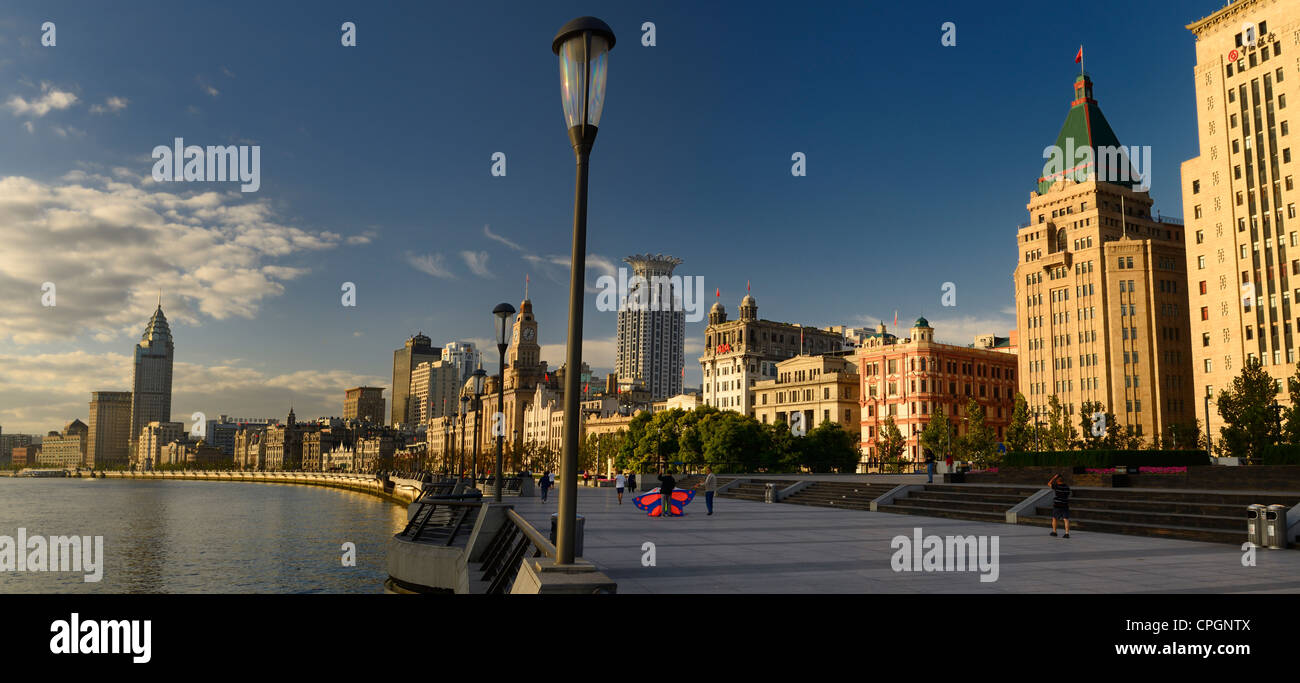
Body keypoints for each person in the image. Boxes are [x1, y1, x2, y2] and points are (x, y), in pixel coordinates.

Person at [1048, 473, 1071, 538]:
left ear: (1057, 481)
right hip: (1065, 504)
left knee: (1054, 518)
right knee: (1066, 519)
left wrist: (1054, 477)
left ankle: (1054, 532)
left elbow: (1049, 483)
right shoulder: (1067, 487)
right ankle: (1067, 533)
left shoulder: (1056, 486)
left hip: (1057, 505)